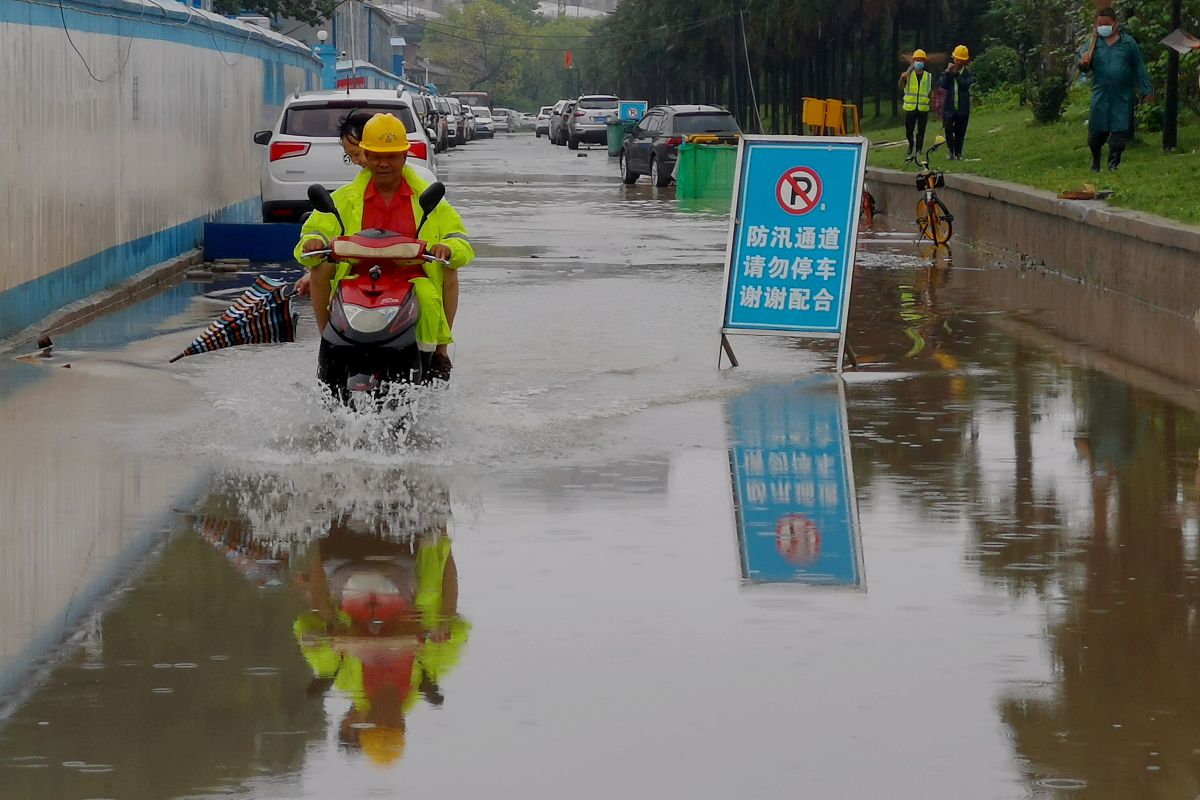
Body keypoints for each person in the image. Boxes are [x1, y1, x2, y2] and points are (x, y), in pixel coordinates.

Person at [294, 113, 473, 381]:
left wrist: (448, 248)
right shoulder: (344, 199)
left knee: (431, 293)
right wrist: (313, 242)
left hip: (412, 279)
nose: (383, 163)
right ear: (366, 155)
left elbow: (458, 238)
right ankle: (329, 349)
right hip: (356, 278)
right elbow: (314, 230)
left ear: (404, 156)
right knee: (319, 268)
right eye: (377, 156)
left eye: (391, 156)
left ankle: (433, 356)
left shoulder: (428, 199)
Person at [1078, 7, 1152, 172]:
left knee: (1119, 132)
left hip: (1122, 95)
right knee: (1097, 132)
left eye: (1106, 24)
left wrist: (1146, 88)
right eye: (1099, 24)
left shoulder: (1128, 43)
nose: (1102, 27)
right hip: (1101, 93)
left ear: (1115, 24)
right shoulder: (1093, 43)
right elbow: (1083, 66)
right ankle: (1096, 162)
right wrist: (1083, 63)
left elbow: (1139, 66)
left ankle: (1113, 164)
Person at [937, 45, 976, 160]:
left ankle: (958, 153)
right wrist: (947, 72)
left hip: (962, 109)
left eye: (959, 60)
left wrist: (956, 74)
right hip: (949, 108)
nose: (957, 62)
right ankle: (951, 151)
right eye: (956, 59)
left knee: (960, 132)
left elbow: (965, 85)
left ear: (964, 61)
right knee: (948, 129)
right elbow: (942, 84)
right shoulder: (948, 72)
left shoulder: (967, 73)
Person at [900, 48, 933, 159]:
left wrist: (932, 103)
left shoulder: (928, 76)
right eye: (917, 60)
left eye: (921, 60)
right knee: (909, 130)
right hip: (910, 108)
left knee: (921, 131)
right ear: (913, 61)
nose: (919, 62)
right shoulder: (908, 74)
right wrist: (902, 78)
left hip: (923, 108)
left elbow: (930, 91)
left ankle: (919, 149)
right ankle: (911, 144)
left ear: (924, 62)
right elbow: (901, 86)